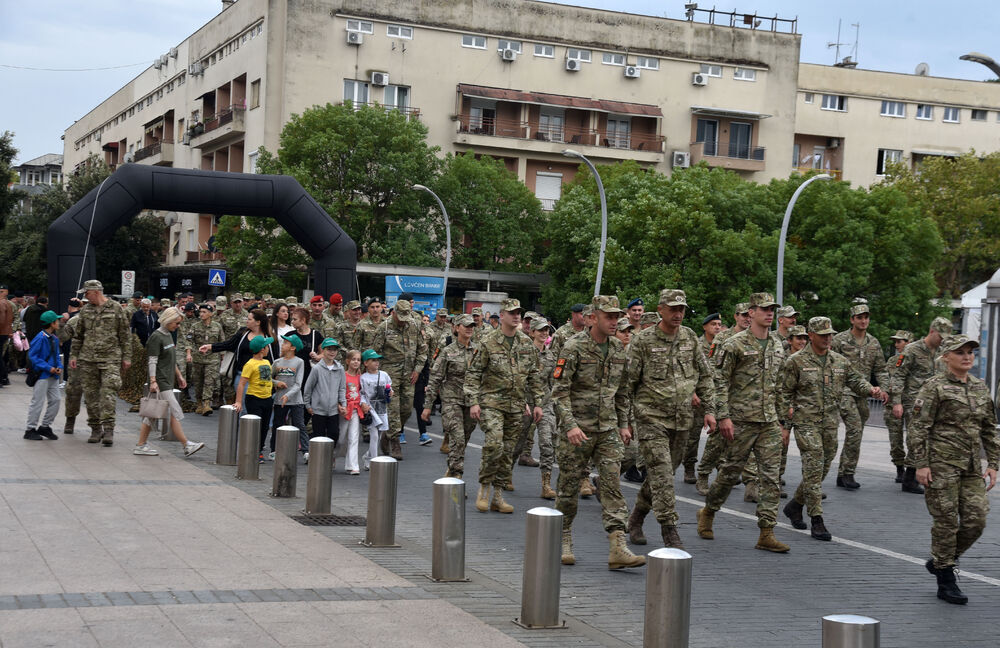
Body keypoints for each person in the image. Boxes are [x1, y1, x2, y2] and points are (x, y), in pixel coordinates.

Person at [552, 295, 646, 569]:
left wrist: (624, 424)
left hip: (607, 430)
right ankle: (563, 537)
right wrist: (569, 425)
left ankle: (618, 545)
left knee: (612, 487)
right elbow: (559, 393)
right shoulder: (573, 347)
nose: (615, 321)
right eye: (609, 316)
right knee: (568, 488)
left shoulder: (618, 349)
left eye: (617, 316)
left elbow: (622, 392)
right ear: (593, 318)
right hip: (577, 430)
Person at [908, 334, 998, 605]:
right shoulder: (933, 387)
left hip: (971, 467)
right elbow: (918, 428)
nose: (967, 356)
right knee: (946, 522)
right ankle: (946, 577)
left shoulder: (980, 387)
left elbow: (988, 429)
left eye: (970, 351)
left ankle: (940, 560)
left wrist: (993, 463)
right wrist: (921, 464)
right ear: (946, 356)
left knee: (977, 519)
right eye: (960, 352)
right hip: (941, 466)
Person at [697, 292, 790, 553]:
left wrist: (783, 421)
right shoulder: (734, 344)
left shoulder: (776, 344)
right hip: (740, 421)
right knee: (729, 474)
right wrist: (723, 416)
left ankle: (767, 532)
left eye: (772, 309)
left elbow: (779, 385)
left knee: (771, 478)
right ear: (751, 313)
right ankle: (708, 511)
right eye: (764, 309)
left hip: (768, 421)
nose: (770, 313)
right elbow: (720, 381)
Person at [624, 289, 716, 549]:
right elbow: (627, 384)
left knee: (661, 476)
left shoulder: (689, 338)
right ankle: (669, 529)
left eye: (682, 309)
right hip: (651, 418)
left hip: (682, 420)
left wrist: (710, 409)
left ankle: (637, 517)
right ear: (661, 309)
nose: (678, 314)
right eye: (673, 309)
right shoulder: (643, 341)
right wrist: (626, 421)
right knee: (663, 474)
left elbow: (705, 376)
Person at [780, 317, 884, 541]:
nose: (828, 338)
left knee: (823, 467)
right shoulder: (796, 361)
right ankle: (817, 518)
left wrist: (871, 390)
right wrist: (784, 425)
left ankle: (795, 504)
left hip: (829, 423)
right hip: (806, 422)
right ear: (811, 336)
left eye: (830, 334)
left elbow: (856, 380)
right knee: (814, 463)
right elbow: (784, 394)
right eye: (823, 334)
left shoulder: (839, 361)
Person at [464, 298, 545, 514]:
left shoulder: (526, 343)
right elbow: (473, 374)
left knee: (508, 451)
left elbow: (534, 376)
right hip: (492, 402)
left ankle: (498, 495)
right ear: (502, 315)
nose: (516, 316)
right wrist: (473, 402)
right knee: (494, 444)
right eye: (512, 312)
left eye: (518, 312)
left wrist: (537, 402)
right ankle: (484, 488)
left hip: (517, 405)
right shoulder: (488, 342)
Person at [890, 316, 952, 495]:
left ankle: (923, 475)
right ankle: (909, 478)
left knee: (934, 439)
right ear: (932, 331)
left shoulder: (943, 352)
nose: (942, 340)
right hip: (914, 402)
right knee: (916, 439)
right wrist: (897, 402)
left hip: (936, 404)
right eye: (940, 336)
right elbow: (898, 375)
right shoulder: (911, 350)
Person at [132, 307, 205, 457]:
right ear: (168, 320)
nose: (177, 326)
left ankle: (141, 445)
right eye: (176, 323)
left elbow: (171, 360)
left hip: (166, 380)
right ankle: (186, 444)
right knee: (175, 411)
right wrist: (153, 381)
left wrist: (179, 376)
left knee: (151, 414)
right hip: (160, 381)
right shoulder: (156, 337)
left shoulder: (168, 336)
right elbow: (152, 360)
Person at [831, 300, 888, 489]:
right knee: (854, 429)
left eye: (866, 317)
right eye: (859, 318)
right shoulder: (839, 340)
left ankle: (845, 473)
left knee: (857, 432)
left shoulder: (874, 343)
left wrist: (884, 388)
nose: (863, 321)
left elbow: (880, 369)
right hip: (845, 391)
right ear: (852, 319)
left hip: (863, 393)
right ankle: (847, 473)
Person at [695, 302, 750, 495]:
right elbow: (710, 366)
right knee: (717, 440)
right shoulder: (722, 338)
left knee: (741, 441)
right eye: (743, 315)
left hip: (747, 399)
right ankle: (702, 474)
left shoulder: (755, 338)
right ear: (736, 316)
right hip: (724, 394)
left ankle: (740, 478)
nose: (747, 318)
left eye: (749, 314)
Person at [70, 279, 133, 446]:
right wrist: (73, 356)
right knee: (91, 397)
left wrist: (127, 357)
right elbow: (78, 336)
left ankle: (109, 429)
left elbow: (125, 335)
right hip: (88, 359)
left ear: (96, 291)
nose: (85, 296)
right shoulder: (85, 311)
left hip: (111, 358)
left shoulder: (116, 308)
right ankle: (96, 429)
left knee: (108, 394)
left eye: (87, 293)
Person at [371, 299, 428, 460]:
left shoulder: (414, 326)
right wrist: (377, 374)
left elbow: (423, 350)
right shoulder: (385, 327)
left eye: (406, 317)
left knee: (407, 408)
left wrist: (418, 369)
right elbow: (375, 351)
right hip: (390, 374)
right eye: (400, 317)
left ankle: (388, 435)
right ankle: (395, 440)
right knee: (393, 408)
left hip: (409, 374)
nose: (403, 321)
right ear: (394, 312)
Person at [682, 312, 722, 484]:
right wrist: (692, 393)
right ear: (705, 326)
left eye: (719, 324)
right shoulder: (696, 345)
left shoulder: (723, 345)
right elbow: (688, 372)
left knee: (721, 434)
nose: (717, 327)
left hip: (717, 396)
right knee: (693, 436)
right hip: (698, 398)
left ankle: (721, 466)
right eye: (713, 324)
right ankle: (689, 467)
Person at [200, 308, 273, 401]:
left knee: (258, 404)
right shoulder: (243, 332)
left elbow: (272, 358)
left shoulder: (268, 337)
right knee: (242, 404)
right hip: (242, 373)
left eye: (250, 319)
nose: (247, 321)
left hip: (260, 377)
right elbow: (229, 344)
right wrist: (210, 346)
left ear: (258, 322)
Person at [24, 310, 64, 440]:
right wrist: (48, 368)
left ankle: (45, 426)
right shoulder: (40, 337)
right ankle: (30, 429)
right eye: (57, 321)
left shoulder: (54, 338)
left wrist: (59, 367)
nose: (58, 322)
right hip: (42, 375)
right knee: (38, 402)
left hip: (52, 375)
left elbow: (56, 355)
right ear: (52, 323)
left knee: (56, 400)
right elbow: (32, 356)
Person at [234, 335, 275, 459]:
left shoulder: (267, 362)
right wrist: (239, 402)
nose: (269, 348)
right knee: (255, 426)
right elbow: (241, 383)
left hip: (267, 398)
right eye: (267, 346)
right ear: (262, 349)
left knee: (265, 426)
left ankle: (259, 448)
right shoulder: (250, 364)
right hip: (254, 398)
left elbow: (269, 379)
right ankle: (253, 450)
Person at [303, 338, 346, 453]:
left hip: (333, 410)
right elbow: (308, 388)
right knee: (318, 436)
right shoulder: (317, 368)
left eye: (334, 350)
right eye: (329, 349)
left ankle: (328, 457)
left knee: (334, 433)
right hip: (318, 409)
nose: (332, 352)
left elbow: (342, 388)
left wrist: (343, 404)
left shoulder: (340, 368)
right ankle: (318, 458)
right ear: (323, 351)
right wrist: (308, 405)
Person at [271, 333, 307, 458]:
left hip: (296, 400)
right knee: (278, 424)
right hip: (279, 400)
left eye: (286, 343)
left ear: (293, 348)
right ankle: (274, 449)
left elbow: (298, 384)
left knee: (300, 425)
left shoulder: (299, 362)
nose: (283, 344)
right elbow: (268, 378)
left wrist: (288, 395)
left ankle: (306, 451)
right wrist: (277, 382)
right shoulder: (277, 362)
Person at [886, 330, 913, 481]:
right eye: (895, 342)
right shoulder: (892, 361)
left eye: (900, 341)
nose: (896, 345)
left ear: (908, 342)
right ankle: (899, 469)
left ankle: (911, 470)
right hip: (893, 404)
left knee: (913, 438)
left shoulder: (916, 360)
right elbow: (889, 379)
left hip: (911, 403)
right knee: (895, 439)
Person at [188, 304, 224, 416]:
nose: (201, 314)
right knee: (198, 382)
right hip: (198, 358)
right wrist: (189, 353)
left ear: (210, 314)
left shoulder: (217, 326)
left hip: (212, 359)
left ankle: (206, 403)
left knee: (209, 381)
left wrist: (222, 357)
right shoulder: (195, 326)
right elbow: (189, 340)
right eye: (200, 312)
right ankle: (199, 403)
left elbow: (221, 342)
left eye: (204, 312)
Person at [360, 350, 392, 469]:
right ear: (366, 363)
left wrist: (390, 392)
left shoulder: (384, 375)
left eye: (377, 360)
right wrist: (363, 403)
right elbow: (361, 393)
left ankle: (368, 456)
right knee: (373, 435)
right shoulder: (363, 377)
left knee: (379, 434)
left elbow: (389, 387)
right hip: (370, 408)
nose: (376, 362)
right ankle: (374, 462)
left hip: (382, 407)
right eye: (373, 360)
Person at [340, 350, 368, 474]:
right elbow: (338, 391)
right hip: (344, 410)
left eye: (358, 359)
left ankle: (352, 465)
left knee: (354, 437)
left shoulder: (360, 378)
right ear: (347, 361)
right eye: (353, 359)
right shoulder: (343, 375)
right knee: (341, 438)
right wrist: (339, 406)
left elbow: (364, 393)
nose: (356, 362)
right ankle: (333, 456)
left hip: (356, 410)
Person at [0, 285, 14, 387]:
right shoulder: (8, 303)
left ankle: (2, 378)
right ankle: (4, 378)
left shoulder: (1, 303)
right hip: (5, 332)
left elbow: (1, 319)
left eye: (2, 291)